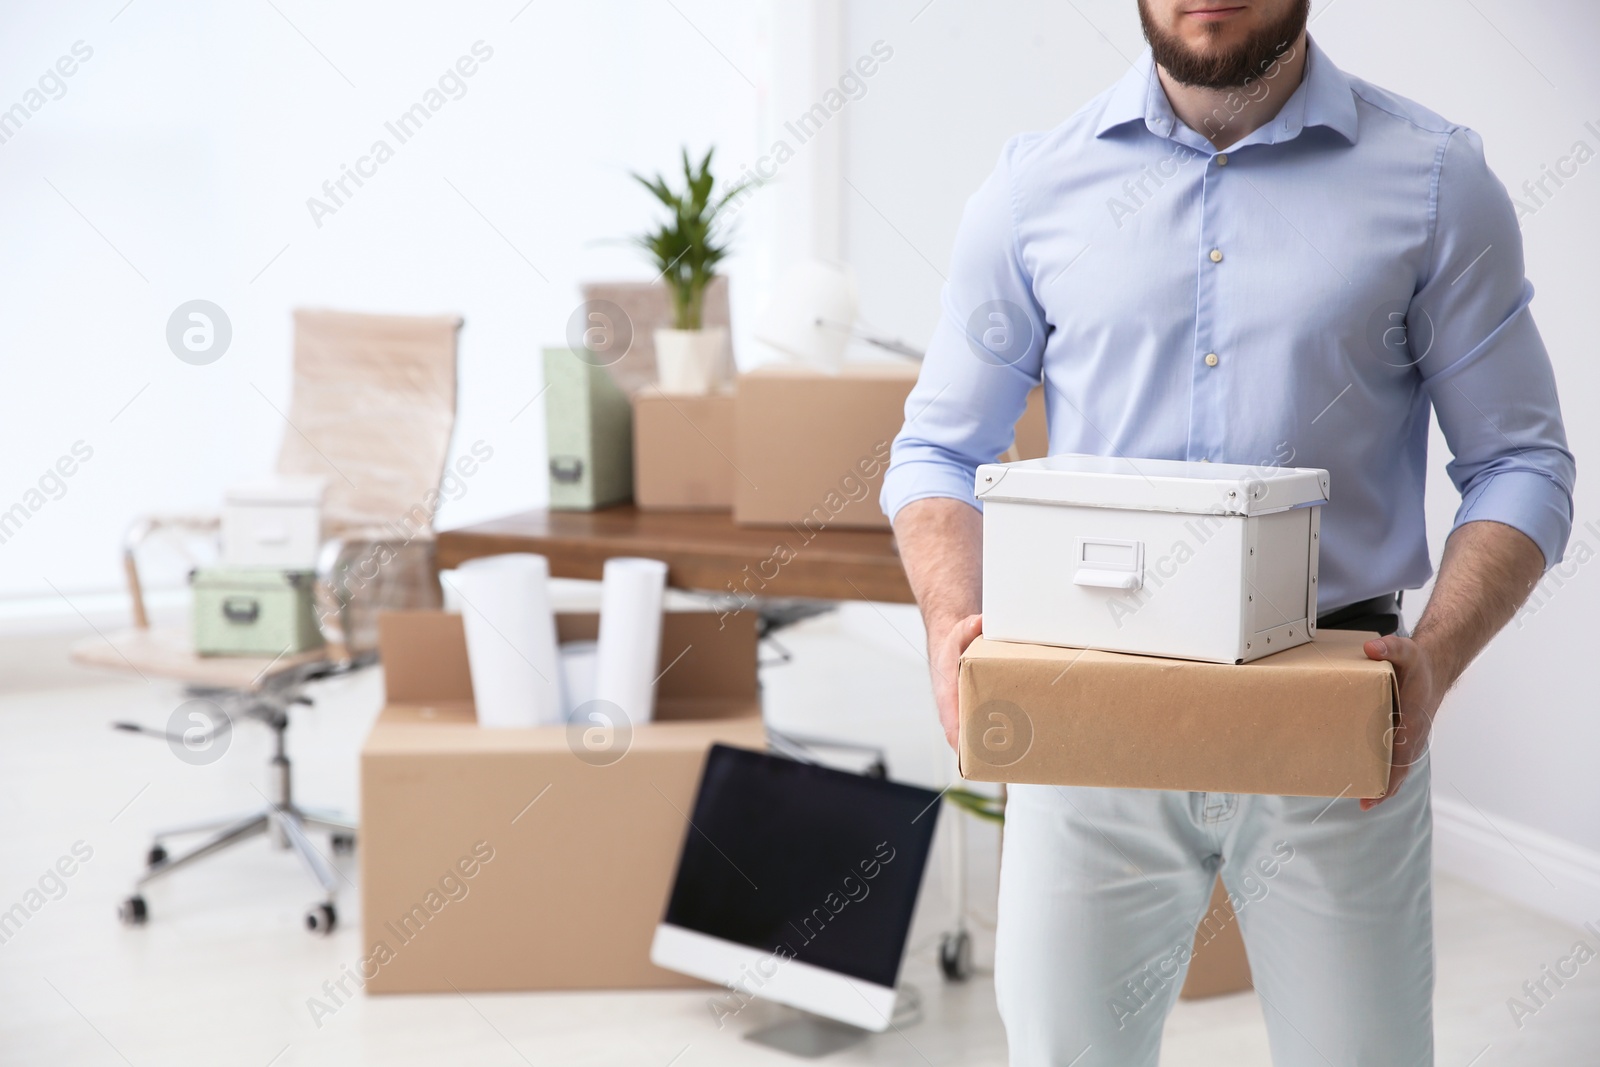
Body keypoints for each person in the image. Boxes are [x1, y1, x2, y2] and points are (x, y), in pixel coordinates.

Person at [880, 1, 1575, 1063]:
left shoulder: (1436, 183)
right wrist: (949, 624)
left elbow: (1522, 464)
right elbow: (935, 450)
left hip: (1337, 727)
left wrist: (1431, 660)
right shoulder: (1032, 189)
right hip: (1088, 714)